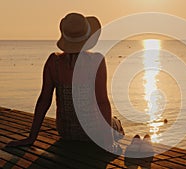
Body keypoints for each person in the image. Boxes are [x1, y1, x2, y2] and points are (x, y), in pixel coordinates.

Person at [6, 13, 124, 152]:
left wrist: (31, 138)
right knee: (116, 123)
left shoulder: (53, 62)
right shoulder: (96, 61)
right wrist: (108, 143)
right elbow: (102, 102)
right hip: (94, 134)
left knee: (110, 120)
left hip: (66, 132)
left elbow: (44, 100)